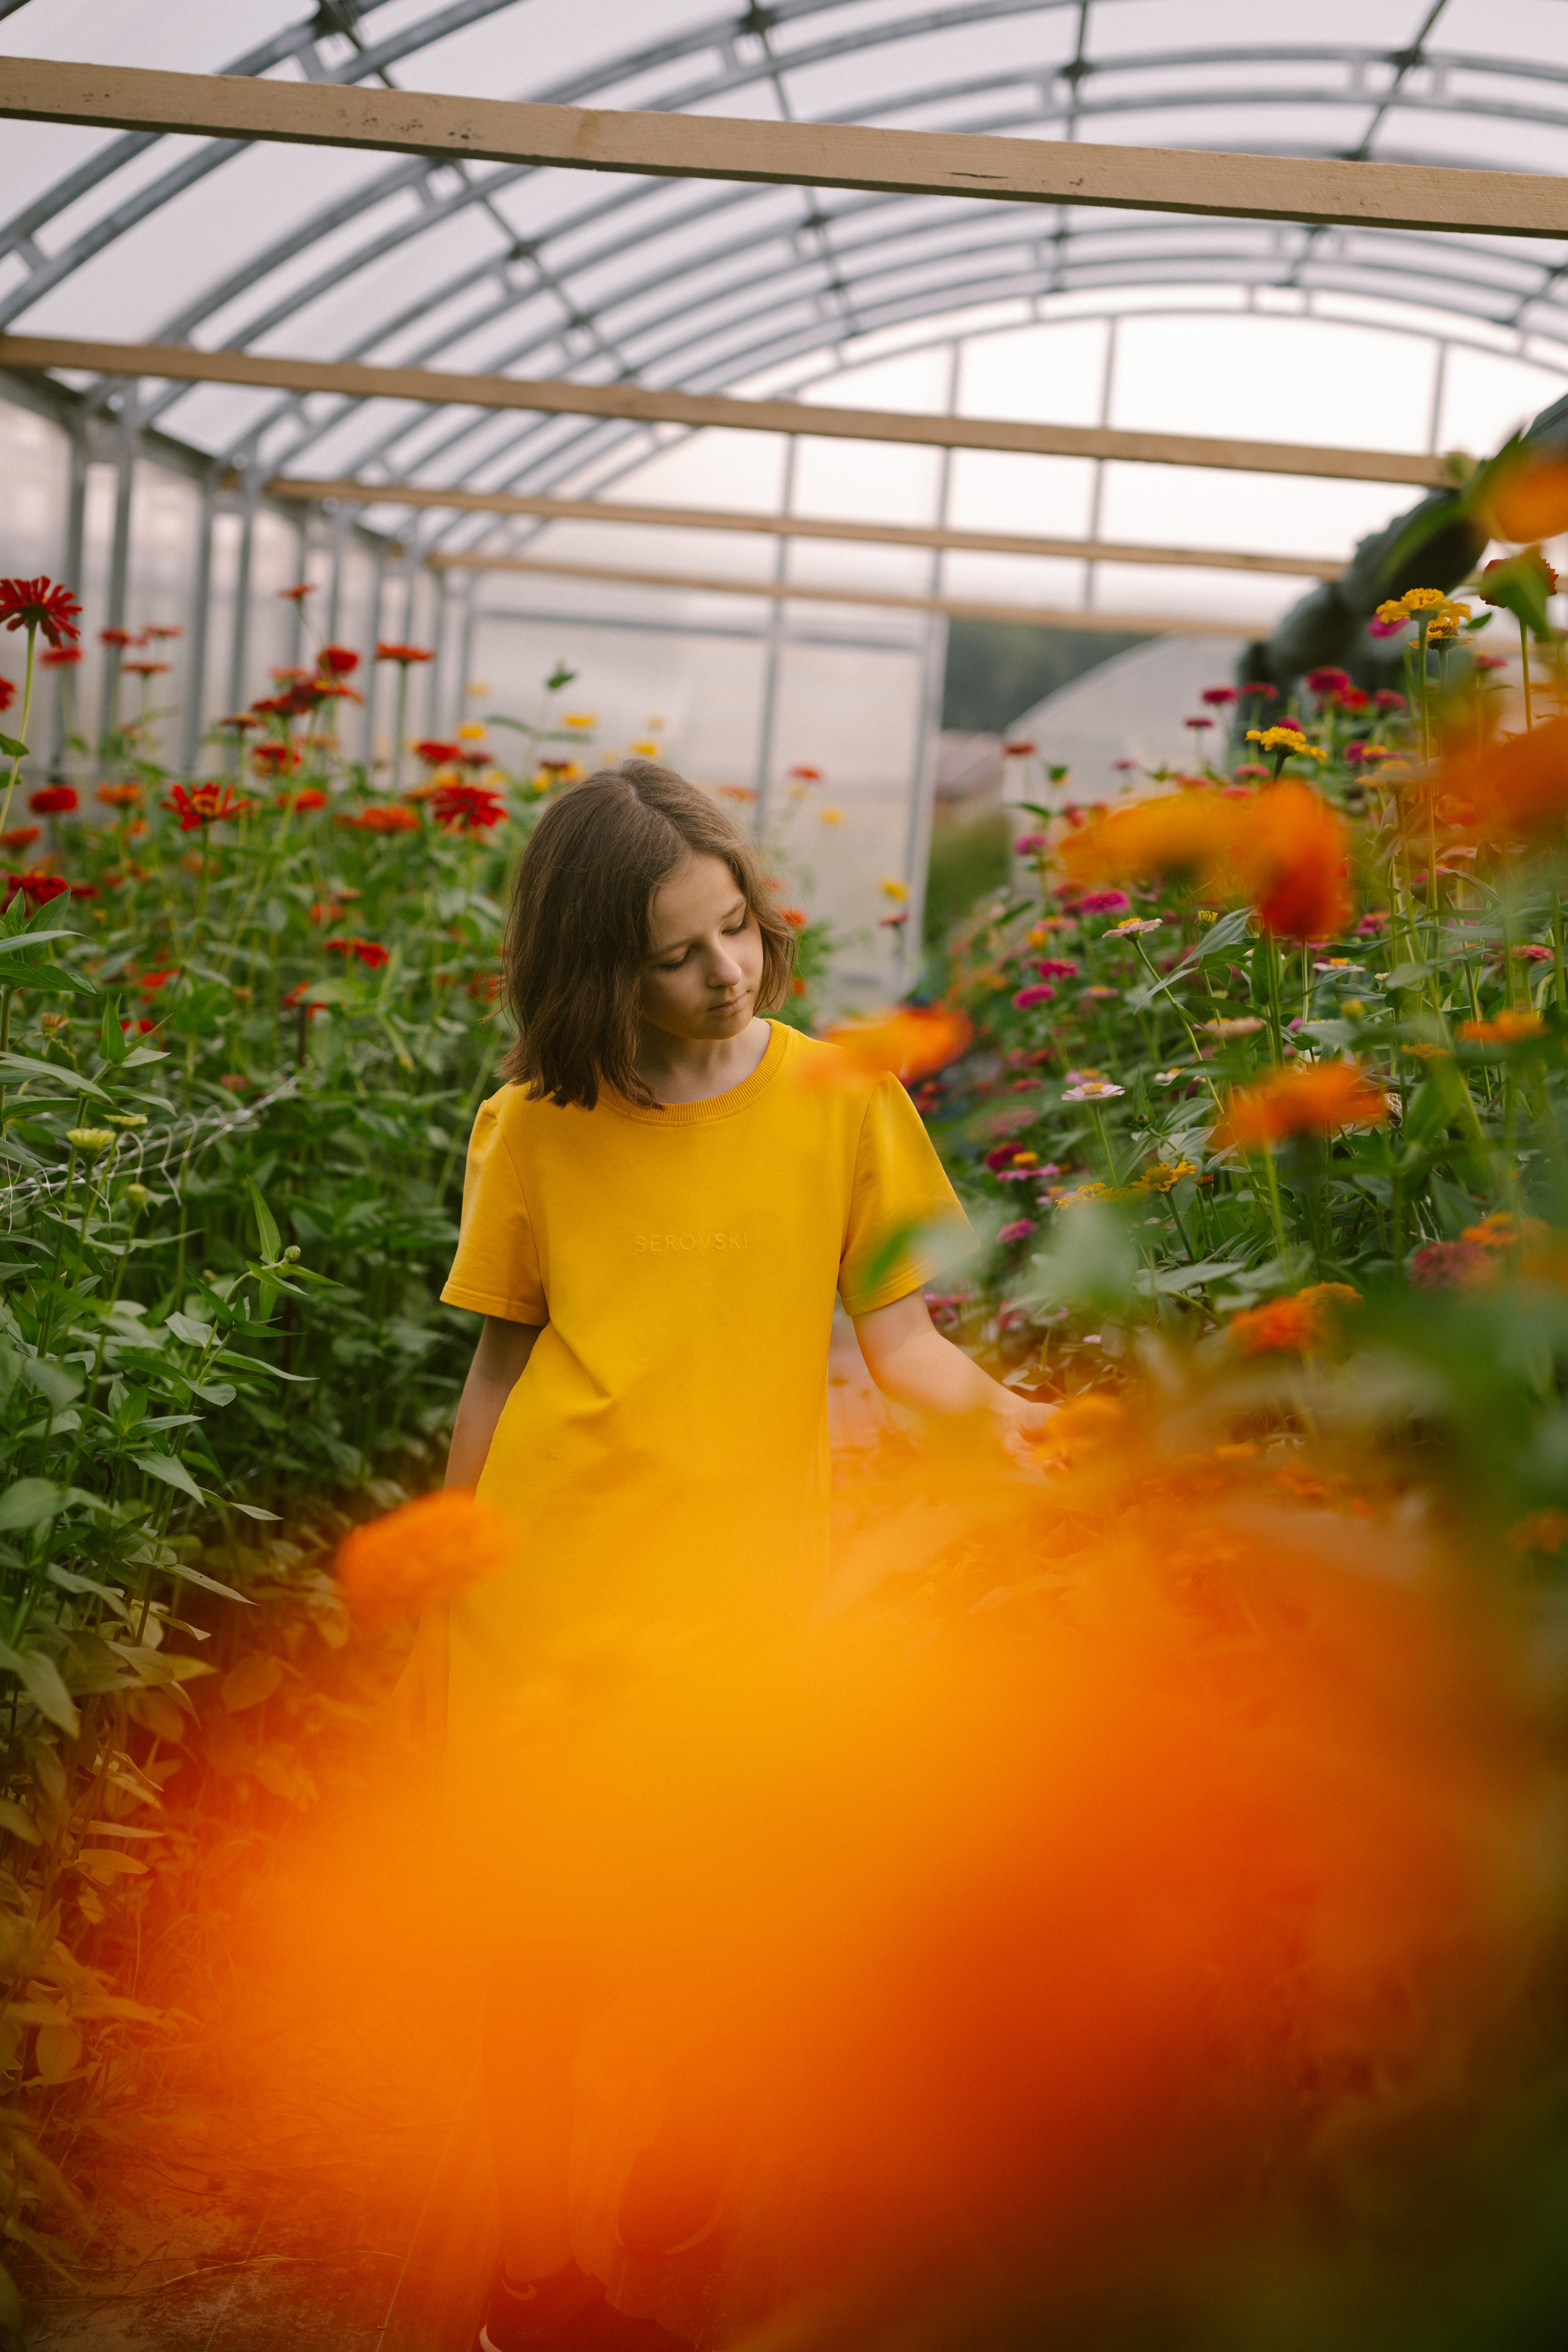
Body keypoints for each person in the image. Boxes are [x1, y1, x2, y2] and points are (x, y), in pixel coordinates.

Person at [400, 760, 1049, 2351]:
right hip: (545, 1595)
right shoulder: (533, 1126)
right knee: (535, 1951)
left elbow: (905, 1349)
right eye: (676, 954)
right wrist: (438, 1598)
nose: (728, 973)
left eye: (738, 929)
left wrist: (1022, 1426)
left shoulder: (843, 1099)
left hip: (740, 1601)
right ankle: (530, 2276)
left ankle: (681, 2156)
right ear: (592, 968)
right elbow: (498, 1374)